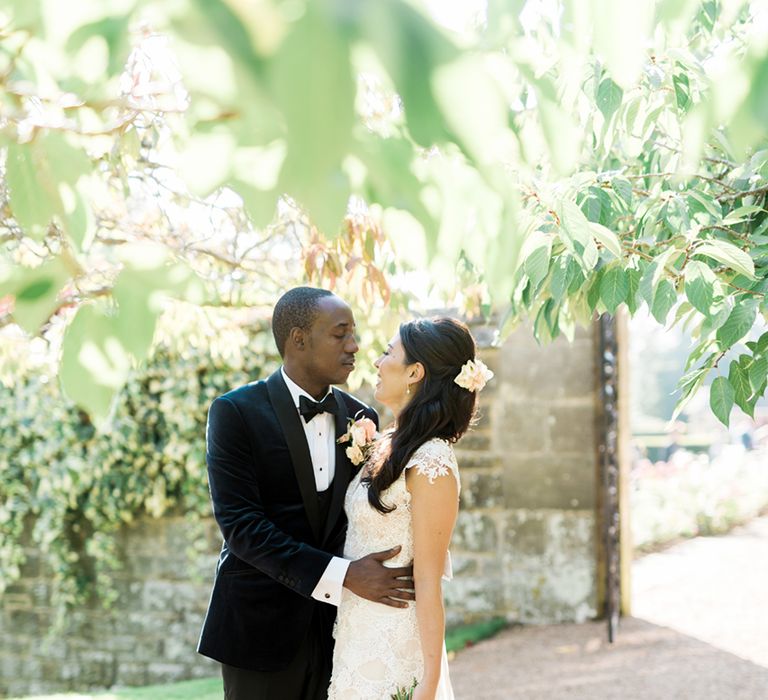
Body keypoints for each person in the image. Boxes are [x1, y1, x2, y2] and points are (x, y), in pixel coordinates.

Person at [197, 287, 415, 700]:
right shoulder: (235, 413)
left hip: (341, 630)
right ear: (298, 339)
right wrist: (345, 575)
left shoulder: (361, 417)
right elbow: (241, 527)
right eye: (340, 334)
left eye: (354, 334)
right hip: (260, 628)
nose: (354, 346)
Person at [327, 317, 493, 700]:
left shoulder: (431, 461)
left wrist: (430, 682)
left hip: (395, 646)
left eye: (388, 353)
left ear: (415, 372)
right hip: (356, 636)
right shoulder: (388, 442)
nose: (376, 362)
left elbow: (429, 581)